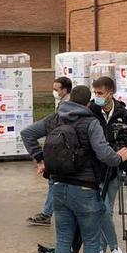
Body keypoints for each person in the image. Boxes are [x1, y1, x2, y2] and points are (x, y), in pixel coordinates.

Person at [20, 85, 127, 253]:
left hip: (58, 186)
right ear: (87, 102)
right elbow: (104, 154)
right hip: (85, 189)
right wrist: (119, 157)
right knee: (91, 239)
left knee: (63, 239)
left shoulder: (55, 118)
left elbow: (27, 133)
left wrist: (40, 159)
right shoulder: (91, 122)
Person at [89, 76, 127, 253]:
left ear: (110, 93)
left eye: (100, 93)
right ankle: (115, 249)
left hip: (115, 171)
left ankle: (100, 251)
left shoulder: (124, 114)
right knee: (104, 211)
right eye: (95, 93)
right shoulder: (90, 112)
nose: (96, 96)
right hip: (95, 171)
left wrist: (123, 161)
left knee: (105, 212)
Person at [27, 76, 72, 226]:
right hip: (57, 149)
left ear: (64, 90)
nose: (53, 91)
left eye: (56, 89)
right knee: (55, 181)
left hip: (61, 151)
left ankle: (47, 214)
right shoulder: (62, 104)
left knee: (56, 181)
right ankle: (47, 213)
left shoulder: (68, 107)